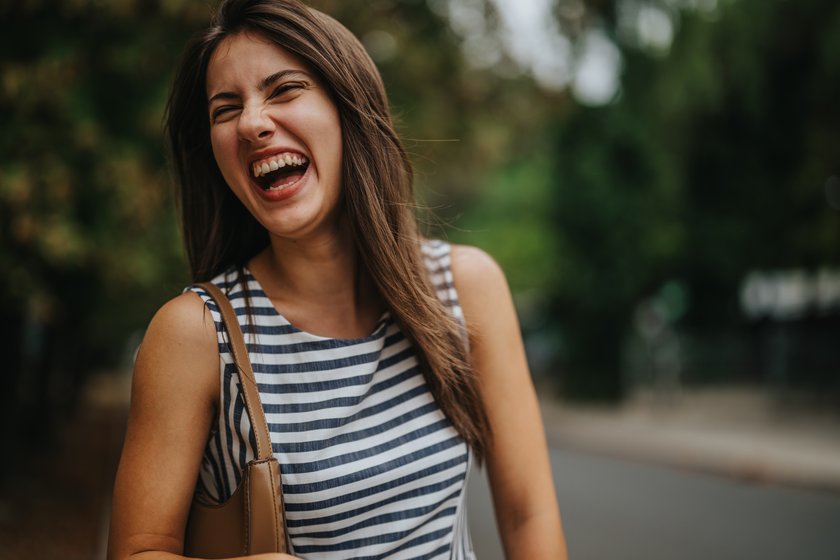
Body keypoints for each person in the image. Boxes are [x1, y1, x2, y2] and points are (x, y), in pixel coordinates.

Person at [107, 0, 566, 558]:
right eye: (226, 109)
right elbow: (136, 550)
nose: (252, 122)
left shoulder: (463, 286)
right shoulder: (195, 334)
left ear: (350, 108)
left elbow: (527, 515)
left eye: (283, 89)